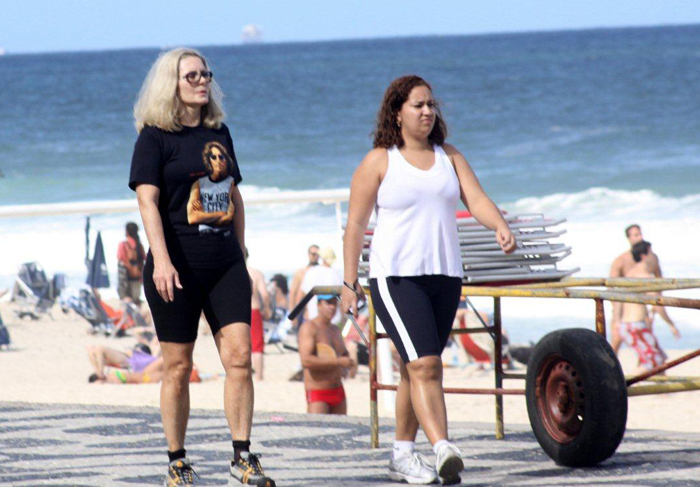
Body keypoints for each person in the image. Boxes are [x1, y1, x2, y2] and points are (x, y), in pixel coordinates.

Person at [342, 75, 516, 485]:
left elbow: (477, 199)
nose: (426, 112)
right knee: (426, 364)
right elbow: (354, 225)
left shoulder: (449, 157)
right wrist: (350, 283)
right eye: (418, 105)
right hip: (396, 278)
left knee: (413, 368)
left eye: (430, 105)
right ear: (397, 113)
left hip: (444, 276)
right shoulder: (380, 161)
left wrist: (499, 226)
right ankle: (442, 447)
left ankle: (403, 454)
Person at [129, 48, 274, 486]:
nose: (201, 80)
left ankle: (242, 457)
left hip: (225, 264)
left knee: (240, 359)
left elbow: (234, 195)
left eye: (205, 74)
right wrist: (162, 261)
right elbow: (147, 200)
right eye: (191, 75)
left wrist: (242, 253)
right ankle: (177, 460)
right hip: (176, 268)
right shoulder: (155, 137)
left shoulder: (219, 133)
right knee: (177, 366)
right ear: (170, 83)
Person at [620, 241, 679, 373]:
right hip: (634, 326)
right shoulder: (645, 278)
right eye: (652, 253)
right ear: (644, 256)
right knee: (653, 360)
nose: (655, 256)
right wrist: (671, 324)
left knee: (659, 357)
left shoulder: (631, 273)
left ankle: (664, 392)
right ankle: (625, 386)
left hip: (632, 325)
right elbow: (658, 304)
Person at [610, 224, 663, 354]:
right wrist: (617, 314)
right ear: (628, 238)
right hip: (624, 309)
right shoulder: (621, 260)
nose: (639, 237)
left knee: (648, 348)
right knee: (614, 346)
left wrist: (655, 308)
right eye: (635, 235)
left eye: (640, 234)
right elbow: (611, 287)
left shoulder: (651, 258)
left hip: (644, 308)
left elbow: (660, 281)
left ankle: (650, 373)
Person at [298, 295, 354, 414]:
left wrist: (346, 364)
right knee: (319, 428)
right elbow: (306, 360)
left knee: (343, 429)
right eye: (328, 303)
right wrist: (338, 362)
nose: (332, 307)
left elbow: (343, 353)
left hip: (338, 389)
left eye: (334, 303)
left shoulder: (335, 329)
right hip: (318, 391)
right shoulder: (309, 328)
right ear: (318, 305)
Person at [298, 246, 343, 324]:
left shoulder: (311, 272)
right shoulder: (337, 275)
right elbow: (341, 300)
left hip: (312, 316)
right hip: (333, 319)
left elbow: (302, 295)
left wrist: (301, 314)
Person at [246, 248, 271, 381]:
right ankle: (259, 377)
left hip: (237, 311)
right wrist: (267, 308)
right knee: (257, 345)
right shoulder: (256, 273)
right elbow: (265, 294)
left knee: (241, 345)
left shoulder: (230, 272)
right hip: (254, 309)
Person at [289, 245, 320, 326]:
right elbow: (292, 293)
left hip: (317, 310)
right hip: (301, 310)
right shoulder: (300, 273)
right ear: (308, 254)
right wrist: (292, 314)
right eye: (313, 254)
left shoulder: (322, 272)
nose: (316, 256)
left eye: (318, 254)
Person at [117, 222, 146, 305]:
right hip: (137, 279)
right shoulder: (139, 245)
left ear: (127, 231)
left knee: (126, 303)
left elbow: (120, 260)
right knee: (136, 302)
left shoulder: (123, 245)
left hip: (125, 279)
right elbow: (144, 260)